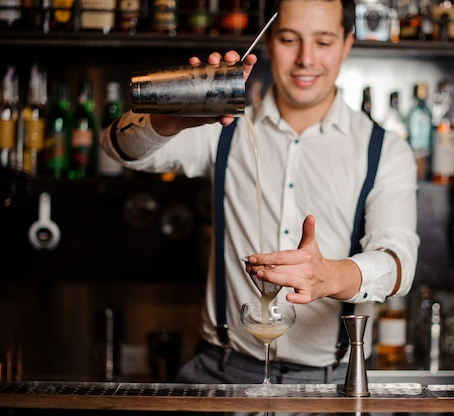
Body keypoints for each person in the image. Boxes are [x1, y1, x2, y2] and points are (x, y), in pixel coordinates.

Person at [100, 0, 419, 384]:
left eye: (323, 41)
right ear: (267, 41)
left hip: (330, 381)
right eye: (289, 39)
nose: (305, 59)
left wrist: (329, 275)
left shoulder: (384, 150)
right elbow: (120, 149)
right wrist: (178, 112)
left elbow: (398, 262)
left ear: (347, 44)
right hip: (220, 371)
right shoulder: (223, 128)